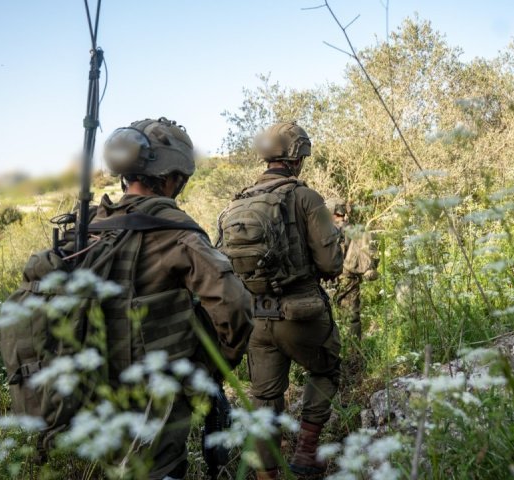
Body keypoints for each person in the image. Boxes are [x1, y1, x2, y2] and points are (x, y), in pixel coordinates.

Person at [99, 117, 254, 479]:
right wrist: (213, 366)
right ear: (172, 177)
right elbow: (235, 306)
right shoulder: (176, 232)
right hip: (156, 393)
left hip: (94, 385)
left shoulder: (92, 226)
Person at [218, 121, 343, 479]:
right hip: (302, 313)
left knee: (264, 399)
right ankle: (306, 453)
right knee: (326, 369)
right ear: (296, 157)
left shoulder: (236, 203)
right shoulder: (305, 197)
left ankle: (266, 475)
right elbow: (330, 263)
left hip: (256, 319)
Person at [325, 198, 378, 342]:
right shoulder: (355, 230)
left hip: (329, 280)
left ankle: (336, 349)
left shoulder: (324, 230)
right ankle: (352, 350)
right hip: (349, 280)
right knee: (352, 319)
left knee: (329, 319)